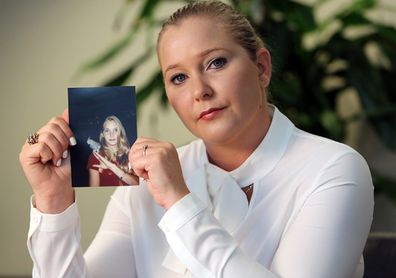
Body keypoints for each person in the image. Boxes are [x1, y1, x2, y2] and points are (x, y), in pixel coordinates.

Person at [19, 1, 374, 277]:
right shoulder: (141, 184)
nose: (200, 91)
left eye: (216, 63)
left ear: (262, 68)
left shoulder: (334, 169)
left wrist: (179, 201)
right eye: (178, 78)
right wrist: (52, 201)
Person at [87, 115, 139, 186]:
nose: (112, 135)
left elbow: (138, 183)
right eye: (107, 130)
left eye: (115, 130)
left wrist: (113, 168)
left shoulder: (130, 154)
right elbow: (93, 191)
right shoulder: (96, 157)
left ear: (120, 132)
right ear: (103, 134)